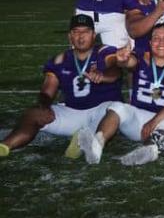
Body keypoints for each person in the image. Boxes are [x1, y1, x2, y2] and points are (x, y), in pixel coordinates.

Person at [0, 15, 128, 157]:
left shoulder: (104, 52)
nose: (80, 36)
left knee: (116, 109)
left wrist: (103, 75)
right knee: (34, 113)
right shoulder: (59, 60)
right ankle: (5, 146)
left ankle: (82, 140)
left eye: (85, 31)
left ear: (93, 35)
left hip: (101, 112)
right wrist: (44, 105)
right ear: (70, 37)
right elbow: (48, 90)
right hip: (72, 112)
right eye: (76, 32)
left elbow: (115, 70)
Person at [78, 24, 164, 165]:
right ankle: (96, 146)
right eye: (156, 38)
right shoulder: (141, 57)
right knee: (118, 107)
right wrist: (123, 59)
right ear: (150, 43)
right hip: (137, 118)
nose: (161, 43)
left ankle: (149, 150)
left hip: (163, 119)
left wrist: (154, 121)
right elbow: (129, 62)